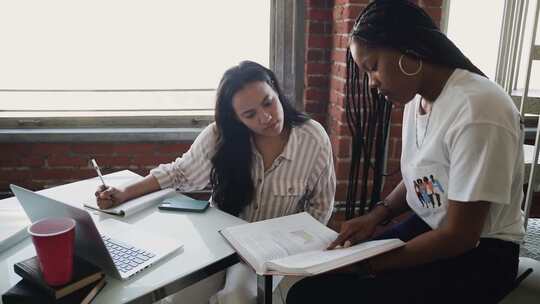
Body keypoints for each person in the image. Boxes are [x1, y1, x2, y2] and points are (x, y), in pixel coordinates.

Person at [287, 1, 524, 303]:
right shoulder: (419, 97)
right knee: (323, 278)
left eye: (373, 67)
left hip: (481, 256)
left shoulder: (478, 109)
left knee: (317, 295)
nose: (372, 83)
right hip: (431, 227)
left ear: (408, 52)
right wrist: (377, 215)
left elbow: (460, 236)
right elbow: (422, 176)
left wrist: (367, 264)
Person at [95, 61, 336, 303]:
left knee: (237, 297)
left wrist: (291, 254)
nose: (266, 117)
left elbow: (320, 208)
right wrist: (124, 192)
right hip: (219, 240)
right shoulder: (219, 136)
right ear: (236, 118)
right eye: (250, 114)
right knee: (179, 299)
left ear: (275, 89)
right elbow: (178, 173)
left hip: (270, 253)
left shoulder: (313, 138)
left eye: (268, 102)